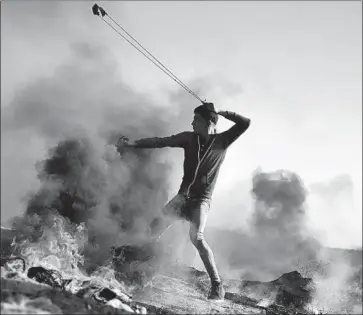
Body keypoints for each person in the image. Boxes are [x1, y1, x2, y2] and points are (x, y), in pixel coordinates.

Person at [115, 102, 251, 300]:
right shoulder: (189, 138)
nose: (192, 122)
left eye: (196, 119)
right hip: (182, 198)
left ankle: (217, 285)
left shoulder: (223, 140)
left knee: (197, 237)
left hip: (201, 201)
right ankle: (134, 268)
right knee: (153, 229)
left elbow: (244, 123)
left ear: (208, 122)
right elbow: (160, 141)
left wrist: (224, 113)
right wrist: (133, 144)